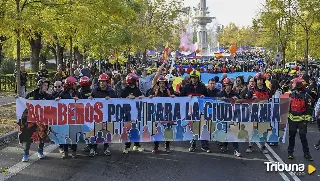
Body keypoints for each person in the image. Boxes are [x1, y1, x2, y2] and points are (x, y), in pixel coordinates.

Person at [21, 79, 54, 162]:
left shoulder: (47, 96)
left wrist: (57, 99)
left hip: (42, 120)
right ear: (40, 86)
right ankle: (26, 154)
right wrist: (18, 99)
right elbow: (23, 103)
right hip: (31, 120)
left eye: (47, 86)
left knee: (42, 136)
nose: (47, 87)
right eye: (45, 85)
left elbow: (54, 101)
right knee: (28, 137)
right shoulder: (31, 94)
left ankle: (40, 151)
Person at [180, 70, 209, 152]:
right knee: (192, 128)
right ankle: (193, 144)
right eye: (192, 78)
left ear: (198, 78)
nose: (194, 79)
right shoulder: (186, 87)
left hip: (200, 110)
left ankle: (204, 145)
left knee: (203, 127)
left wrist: (204, 96)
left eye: (195, 78)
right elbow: (180, 97)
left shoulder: (202, 86)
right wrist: (187, 97)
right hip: (190, 111)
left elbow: (208, 97)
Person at [89, 73, 116, 156]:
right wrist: (90, 98)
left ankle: (106, 147)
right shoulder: (95, 90)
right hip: (97, 115)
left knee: (106, 132)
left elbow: (117, 101)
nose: (102, 83)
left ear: (107, 82)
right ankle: (93, 148)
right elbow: (91, 98)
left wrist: (110, 99)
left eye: (103, 81)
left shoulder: (111, 91)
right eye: (100, 81)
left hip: (107, 115)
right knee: (95, 132)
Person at [287, 78, 313, 161]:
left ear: (298, 85)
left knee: (303, 137)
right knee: (291, 136)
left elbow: (309, 110)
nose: (292, 84)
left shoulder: (306, 96)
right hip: (292, 120)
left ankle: (307, 154)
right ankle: (290, 152)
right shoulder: (291, 94)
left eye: (294, 83)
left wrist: (306, 121)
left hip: (302, 122)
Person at [245, 72, 271, 154]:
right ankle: (250, 146)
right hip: (254, 113)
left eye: (261, 80)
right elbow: (246, 99)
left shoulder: (268, 90)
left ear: (263, 80)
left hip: (264, 113)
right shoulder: (252, 90)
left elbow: (272, 101)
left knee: (263, 130)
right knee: (253, 130)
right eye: (258, 80)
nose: (259, 81)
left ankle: (263, 146)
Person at [55, 76, 81, 159]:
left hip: (74, 118)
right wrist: (57, 99)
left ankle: (74, 151)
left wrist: (78, 100)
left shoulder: (77, 93)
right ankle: (65, 151)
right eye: (74, 84)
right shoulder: (63, 94)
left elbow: (84, 102)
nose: (75, 86)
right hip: (65, 118)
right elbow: (57, 101)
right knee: (64, 134)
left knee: (73, 135)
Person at [149, 76, 175, 153]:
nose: (162, 84)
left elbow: (175, 99)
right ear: (158, 84)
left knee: (168, 130)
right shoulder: (155, 91)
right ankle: (156, 146)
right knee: (157, 130)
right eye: (160, 83)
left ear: (165, 83)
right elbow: (149, 98)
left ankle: (167, 146)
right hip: (158, 114)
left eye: (163, 83)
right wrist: (151, 97)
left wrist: (173, 96)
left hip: (167, 113)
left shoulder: (169, 91)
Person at [120, 73, 144, 154]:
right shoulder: (125, 90)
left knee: (135, 129)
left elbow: (142, 96)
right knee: (128, 129)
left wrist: (141, 97)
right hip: (127, 114)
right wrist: (127, 98)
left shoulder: (137, 89)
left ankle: (136, 145)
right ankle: (127, 146)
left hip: (135, 112)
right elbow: (120, 99)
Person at [217, 78, 241, 157]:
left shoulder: (235, 94)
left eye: (230, 85)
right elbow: (215, 103)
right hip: (223, 115)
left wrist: (237, 100)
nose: (229, 87)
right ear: (224, 85)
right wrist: (221, 100)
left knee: (234, 132)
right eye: (227, 85)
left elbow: (241, 103)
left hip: (232, 115)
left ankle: (236, 149)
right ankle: (225, 145)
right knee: (225, 131)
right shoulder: (220, 94)